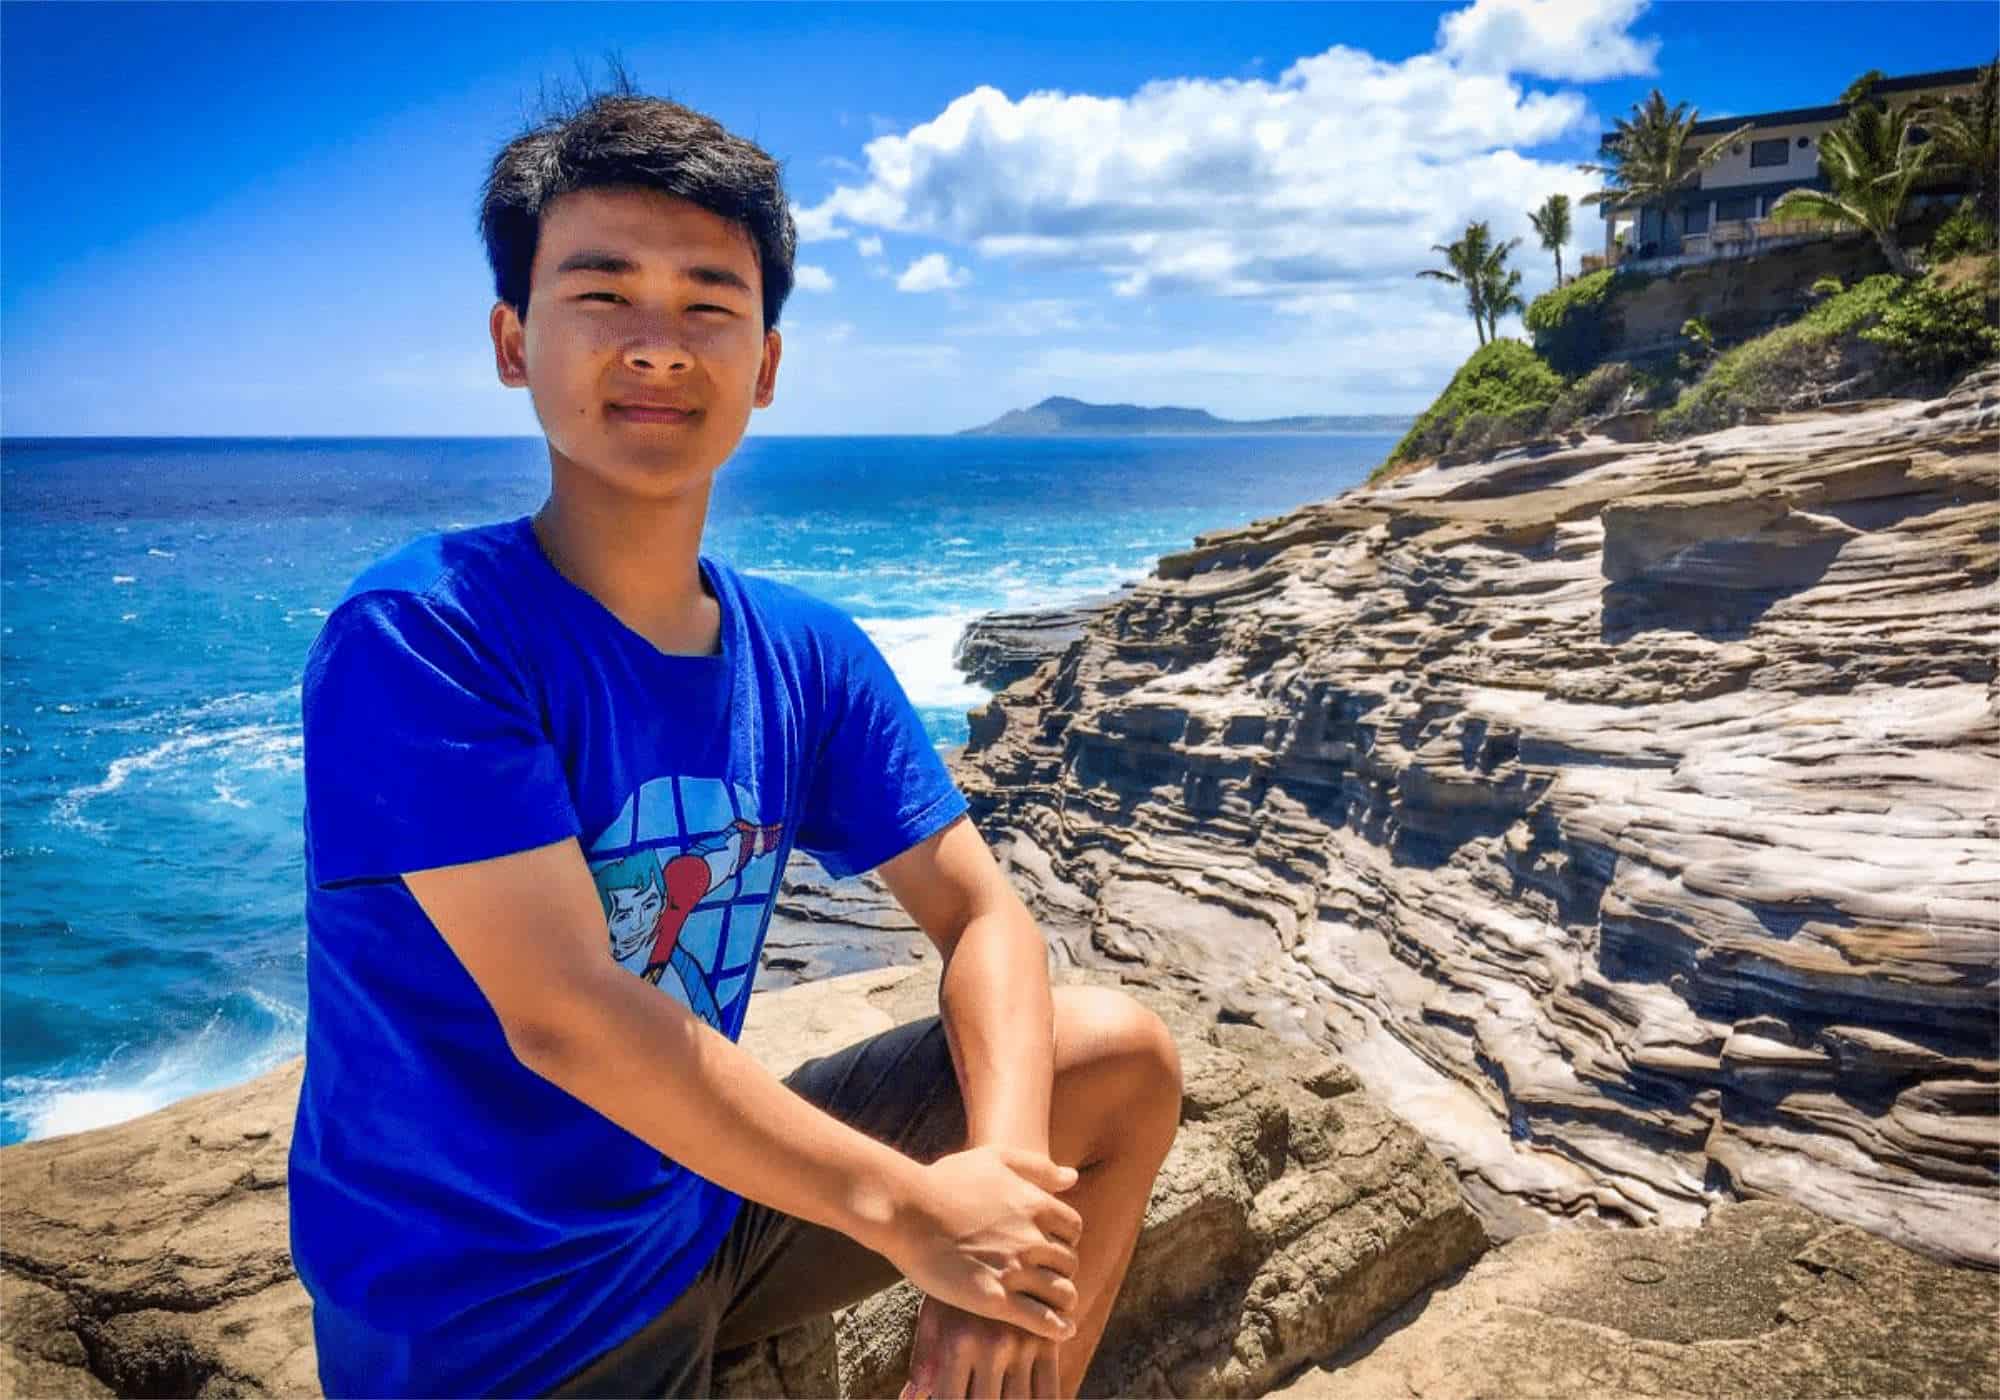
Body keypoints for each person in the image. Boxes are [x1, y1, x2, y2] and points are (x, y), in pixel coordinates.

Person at [286, 74, 1183, 1400]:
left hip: (707, 1206)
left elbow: (983, 914)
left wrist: (999, 1187)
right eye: (603, 295)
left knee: (1118, 1062)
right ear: (513, 341)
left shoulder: (802, 652)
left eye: (709, 304)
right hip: (496, 1318)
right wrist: (916, 1215)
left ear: (764, 365)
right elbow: (568, 1017)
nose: (659, 347)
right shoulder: (427, 633)